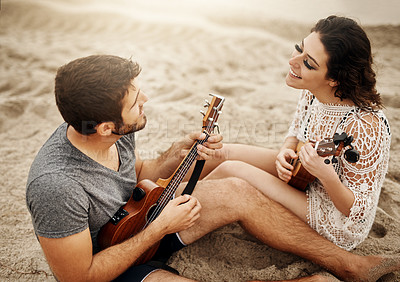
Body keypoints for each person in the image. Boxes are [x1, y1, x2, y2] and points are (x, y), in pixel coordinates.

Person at [26, 53, 399, 282]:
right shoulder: (56, 187)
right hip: (113, 263)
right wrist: (160, 228)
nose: (147, 101)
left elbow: (136, 171)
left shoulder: (105, 128)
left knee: (236, 187)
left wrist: (174, 155)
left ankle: (349, 265)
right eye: (137, 101)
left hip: (146, 217)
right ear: (107, 127)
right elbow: (80, 277)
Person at [203, 15, 392, 251]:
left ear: (334, 79)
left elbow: (356, 211)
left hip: (335, 216)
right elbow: (296, 131)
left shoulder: (366, 126)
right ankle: (168, 195)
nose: (293, 61)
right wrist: (285, 151)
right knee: (220, 153)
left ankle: (170, 213)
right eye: (298, 49)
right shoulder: (312, 90)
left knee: (231, 169)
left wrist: (327, 175)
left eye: (308, 63)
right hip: (303, 176)